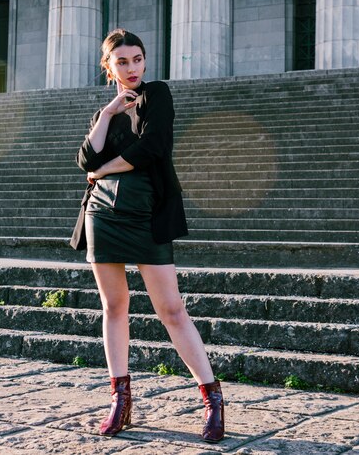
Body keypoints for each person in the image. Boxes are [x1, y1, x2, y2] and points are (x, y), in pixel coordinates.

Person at [71, 28, 225, 443]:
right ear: (109, 67)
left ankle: (212, 400)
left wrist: (103, 170)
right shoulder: (107, 110)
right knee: (114, 306)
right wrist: (107, 114)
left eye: (137, 58)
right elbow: (85, 156)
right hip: (102, 214)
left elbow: (152, 146)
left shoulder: (158, 94)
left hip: (148, 213)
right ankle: (120, 401)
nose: (133, 67)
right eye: (122, 61)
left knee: (172, 309)